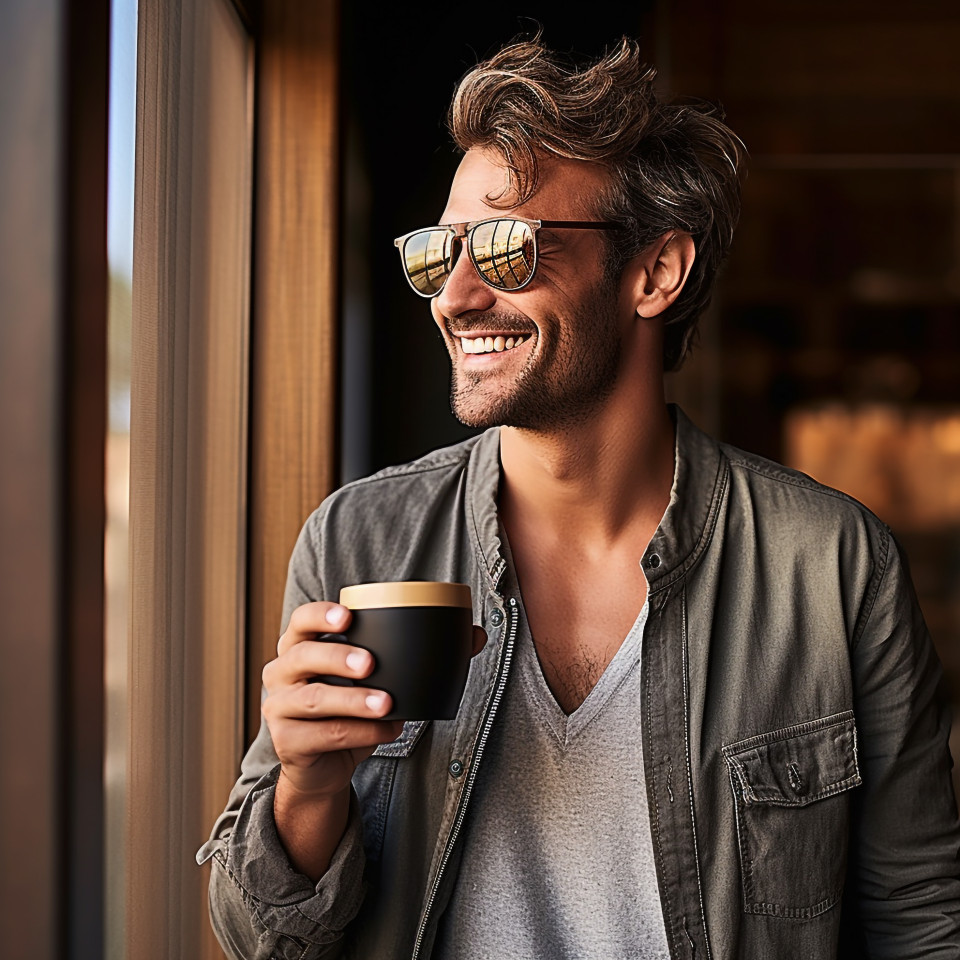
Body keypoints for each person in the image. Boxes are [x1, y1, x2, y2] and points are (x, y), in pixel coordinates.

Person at [198, 37, 960, 960]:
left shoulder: (831, 565)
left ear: (654, 273)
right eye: (437, 254)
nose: (455, 297)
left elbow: (923, 920)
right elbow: (259, 940)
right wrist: (308, 789)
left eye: (507, 248)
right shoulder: (359, 540)